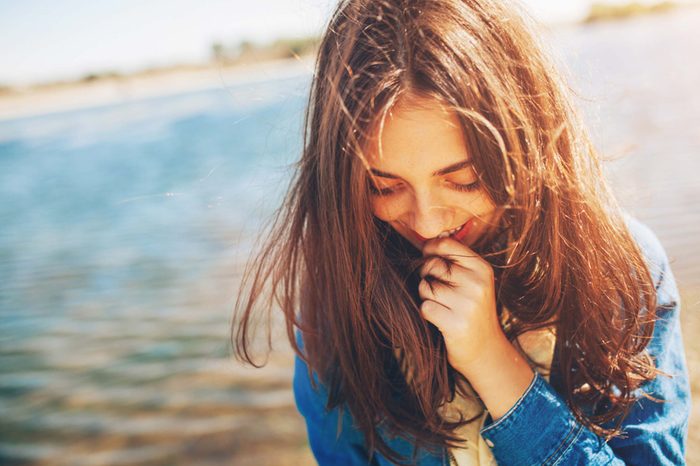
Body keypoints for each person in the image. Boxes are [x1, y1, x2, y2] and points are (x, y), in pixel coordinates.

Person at [232, 0, 691, 464]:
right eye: (384, 186)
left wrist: (494, 365)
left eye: (464, 179)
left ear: (525, 139)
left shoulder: (623, 268)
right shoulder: (337, 306)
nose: (428, 223)